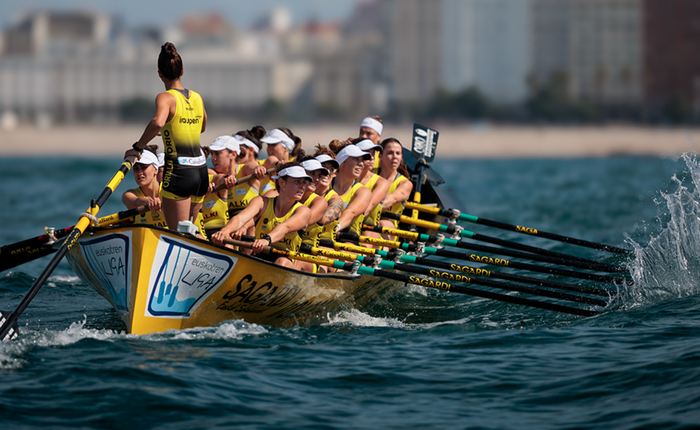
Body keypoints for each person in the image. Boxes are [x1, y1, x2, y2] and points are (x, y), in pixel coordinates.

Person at [125, 42, 208, 231]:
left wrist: (138, 148)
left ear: (159, 74)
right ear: (183, 71)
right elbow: (202, 126)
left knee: (178, 235)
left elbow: (158, 123)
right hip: (201, 172)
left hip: (179, 172)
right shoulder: (197, 97)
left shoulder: (165, 97)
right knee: (191, 232)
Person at [212, 162, 312, 269]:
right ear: (282, 183)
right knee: (226, 247)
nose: (302, 187)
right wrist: (225, 231)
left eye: (304, 183)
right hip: (260, 254)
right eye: (297, 181)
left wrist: (267, 240)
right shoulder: (261, 202)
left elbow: (285, 227)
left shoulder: (303, 211)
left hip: (286, 258)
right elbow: (240, 218)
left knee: (281, 261)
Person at [322, 144, 372, 243]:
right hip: (322, 237)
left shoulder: (363, 192)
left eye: (362, 160)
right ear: (342, 162)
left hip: (349, 240)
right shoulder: (324, 184)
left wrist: (336, 228)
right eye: (356, 159)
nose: (361, 164)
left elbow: (350, 213)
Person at [194, 135, 239, 239]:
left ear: (233, 154)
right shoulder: (210, 173)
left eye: (217, 154)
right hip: (203, 234)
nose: (213, 158)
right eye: (212, 154)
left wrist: (227, 178)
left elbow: (219, 178)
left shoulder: (214, 176)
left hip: (224, 232)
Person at [121, 146, 168, 228]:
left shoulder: (169, 190)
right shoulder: (128, 195)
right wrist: (148, 202)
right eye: (136, 168)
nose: (139, 173)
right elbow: (135, 202)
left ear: (155, 169)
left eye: (143, 168)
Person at [378, 138, 414, 238]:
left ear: (401, 157)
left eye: (398, 153)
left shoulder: (405, 183)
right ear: (380, 156)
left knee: (383, 224)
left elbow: (390, 200)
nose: (394, 157)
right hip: (366, 223)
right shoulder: (370, 176)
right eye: (390, 153)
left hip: (389, 227)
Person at [258, 127, 305, 196]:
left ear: (286, 147)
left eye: (273, 144)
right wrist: (278, 164)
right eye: (268, 145)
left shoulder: (297, 162)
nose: (269, 148)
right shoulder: (264, 162)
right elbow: (272, 162)